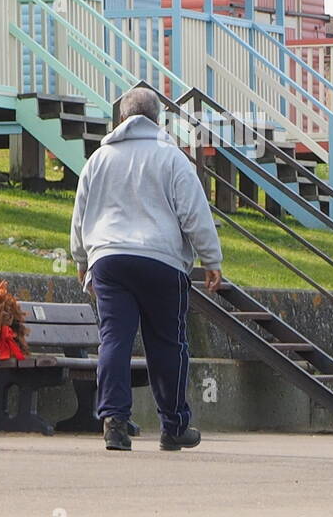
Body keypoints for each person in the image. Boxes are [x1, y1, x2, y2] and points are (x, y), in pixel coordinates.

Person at [69, 87, 223, 452]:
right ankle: (173, 426)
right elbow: (194, 213)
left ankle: (114, 424)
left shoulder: (99, 158)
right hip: (161, 261)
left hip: (109, 259)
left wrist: (80, 259)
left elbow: (80, 214)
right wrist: (211, 259)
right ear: (158, 120)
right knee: (168, 344)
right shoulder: (172, 159)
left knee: (115, 339)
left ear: (121, 118)